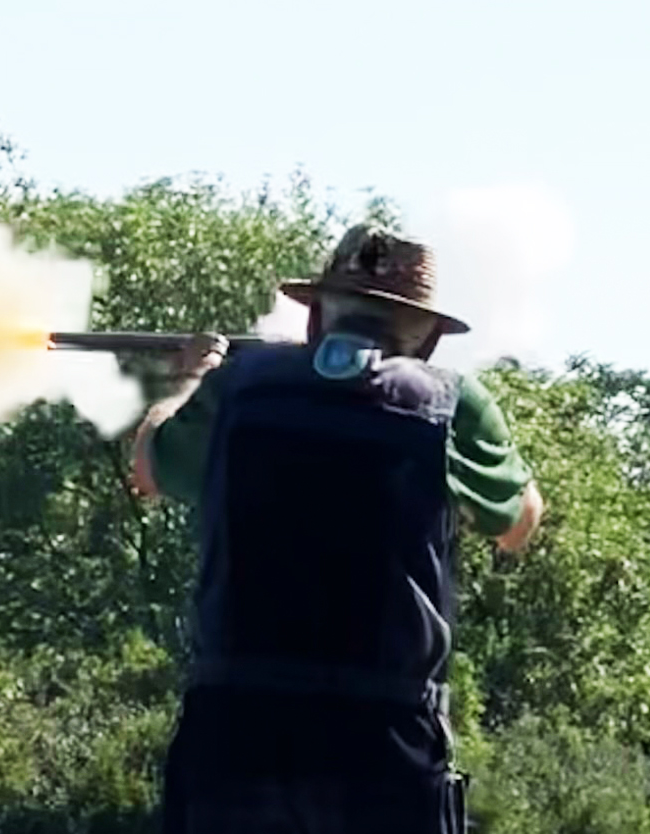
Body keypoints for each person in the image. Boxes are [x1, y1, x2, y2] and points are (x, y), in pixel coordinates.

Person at [130, 223, 544, 833]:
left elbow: (149, 467)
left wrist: (191, 378)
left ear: (318, 314)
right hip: (384, 739)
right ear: (426, 336)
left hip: (236, 730)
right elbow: (518, 522)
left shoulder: (238, 387)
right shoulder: (452, 403)